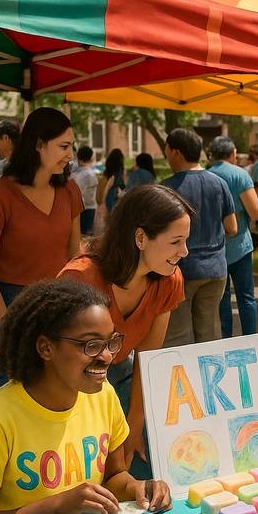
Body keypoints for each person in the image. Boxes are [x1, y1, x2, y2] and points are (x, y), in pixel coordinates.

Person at [0, 280, 171, 514]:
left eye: (111, 342)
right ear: (45, 347)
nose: (106, 356)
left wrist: (138, 488)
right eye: (91, 345)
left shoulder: (103, 395)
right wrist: (55, 505)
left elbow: (115, 476)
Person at [59, 184, 190, 476]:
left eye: (185, 241)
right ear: (141, 237)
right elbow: (56, 362)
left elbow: (148, 358)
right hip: (70, 387)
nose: (185, 251)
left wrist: (135, 423)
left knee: (143, 466)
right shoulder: (80, 277)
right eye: (176, 242)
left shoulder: (170, 280)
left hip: (122, 376)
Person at [0, 107, 83, 392]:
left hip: (56, 308)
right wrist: (12, 322)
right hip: (3, 306)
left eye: (72, 146)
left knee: (51, 398)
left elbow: (75, 256)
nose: (70, 154)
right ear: (38, 144)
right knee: (9, 403)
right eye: (63, 146)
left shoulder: (70, 191)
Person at [161, 128, 237, 345]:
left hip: (180, 271)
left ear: (176, 152)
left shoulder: (168, 188)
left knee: (178, 336)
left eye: (167, 152)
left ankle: (182, 380)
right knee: (209, 335)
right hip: (216, 270)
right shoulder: (219, 183)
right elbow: (232, 227)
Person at [208, 136, 258, 337]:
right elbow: (255, 212)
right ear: (233, 154)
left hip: (214, 247)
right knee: (246, 298)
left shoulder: (205, 175)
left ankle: (226, 339)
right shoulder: (240, 175)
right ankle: (250, 338)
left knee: (221, 299)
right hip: (240, 245)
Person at [70, 145, 99, 236]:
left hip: (82, 208)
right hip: (92, 206)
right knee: (88, 233)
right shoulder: (92, 174)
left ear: (80, 159)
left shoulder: (77, 175)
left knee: (81, 234)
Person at [98, 148, 126, 214]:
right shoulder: (121, 171)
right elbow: (124, 184)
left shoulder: (107, 173)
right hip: (117, 196)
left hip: (108, 196)